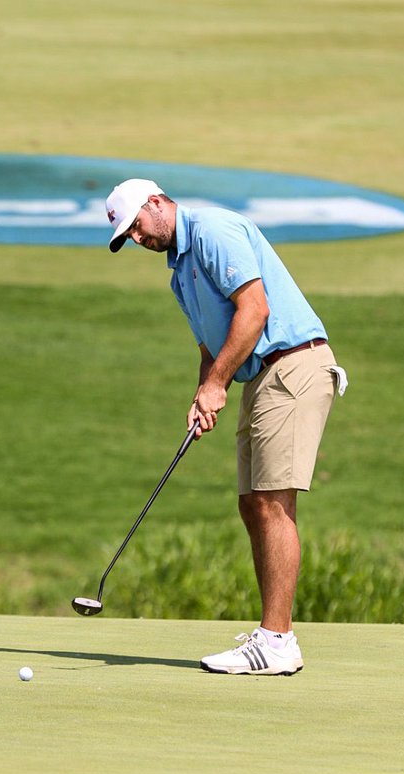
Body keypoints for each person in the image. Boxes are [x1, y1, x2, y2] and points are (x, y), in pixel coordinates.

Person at [105, 178, 346, 675]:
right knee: (251, 502)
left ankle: (277, 641)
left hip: (293, 364)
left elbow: (255, 310)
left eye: (135, 226)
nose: (136, 239)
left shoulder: (213, 230)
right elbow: (211, 348)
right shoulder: (179, 275)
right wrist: (204, 392)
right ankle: (273, 634)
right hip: (263, 377)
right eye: (126, 236)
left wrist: (218, 385)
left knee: (272, 500)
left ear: (156, 203)